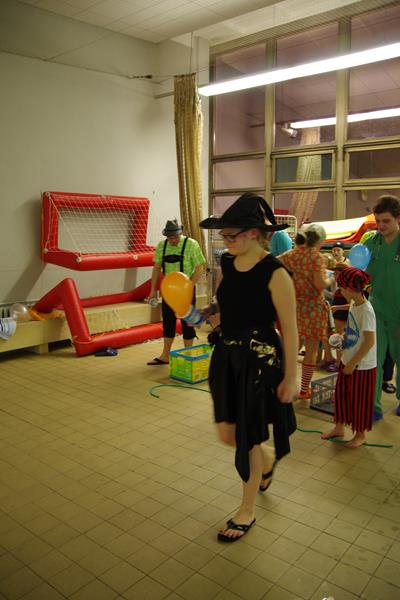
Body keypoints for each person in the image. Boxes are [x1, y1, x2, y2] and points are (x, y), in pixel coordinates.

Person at [200, 192, 298, 542]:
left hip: (259, 361)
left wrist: (292, 376)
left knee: (247, 436)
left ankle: (247, 509)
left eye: (231, 235)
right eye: (223, 235)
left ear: (254, 233)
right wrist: (212, 314)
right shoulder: (228, 263)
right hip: (227, 357)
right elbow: (226, 302)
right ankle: (267, 459)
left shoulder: (276, 273)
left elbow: (290, 328)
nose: (225, 241)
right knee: (228, 434)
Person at [322, 267, 376, 448]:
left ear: (351, 289)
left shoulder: (367, 311)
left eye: (342, 289)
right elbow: (352, 318)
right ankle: (339, 427)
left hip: (361, 366)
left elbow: (369, 342)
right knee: (342, 396)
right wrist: (342, 337)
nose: (340, 292)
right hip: (348, 359)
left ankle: (360, 434)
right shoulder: (355, 303)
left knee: (359, 401)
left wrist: (352, 364)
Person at [279, 224, 334, 399]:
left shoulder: (292, 254)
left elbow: (274, 262)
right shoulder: (317, 257)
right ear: (320, 240)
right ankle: (304, 390)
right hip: (313, 307)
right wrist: (330, 279)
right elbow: (319, 284)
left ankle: (284, 383)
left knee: (292, 348)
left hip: (295, 305)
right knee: (311, 352)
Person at [147, 219, 205, 365]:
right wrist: (153, 290)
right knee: (168, 322)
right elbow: (156, 268)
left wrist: (190, 286)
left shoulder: (191, 244)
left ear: (180, 233)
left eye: (175, 237)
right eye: (169, 237)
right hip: (168, 291)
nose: (172, 240)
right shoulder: (162, 246)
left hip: (186, 289)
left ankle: (188, 354)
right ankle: (165, 355)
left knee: (187, 322)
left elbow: (200, 268)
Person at [362, 195, 400, 419]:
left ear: (398, 219)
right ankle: (373, 406)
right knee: (373, 361)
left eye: (386, 221)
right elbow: (359, 271)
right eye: (378, 221)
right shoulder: (371, 243)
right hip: (376, 311)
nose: (381, 226)